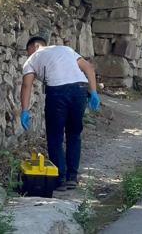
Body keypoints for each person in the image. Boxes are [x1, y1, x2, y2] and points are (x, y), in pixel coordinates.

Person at [20, 36, 101, 191]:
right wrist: (94, 92)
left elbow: (26, 85)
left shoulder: (32, 58)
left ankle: (60, 179)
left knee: (55, 136)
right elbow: (89, 68)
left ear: (32, 48)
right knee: (74, 134)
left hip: (57, 92)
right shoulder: (66, 49)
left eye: (27, 51)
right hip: (80, 89)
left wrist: (25, 110)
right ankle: (72, 178)